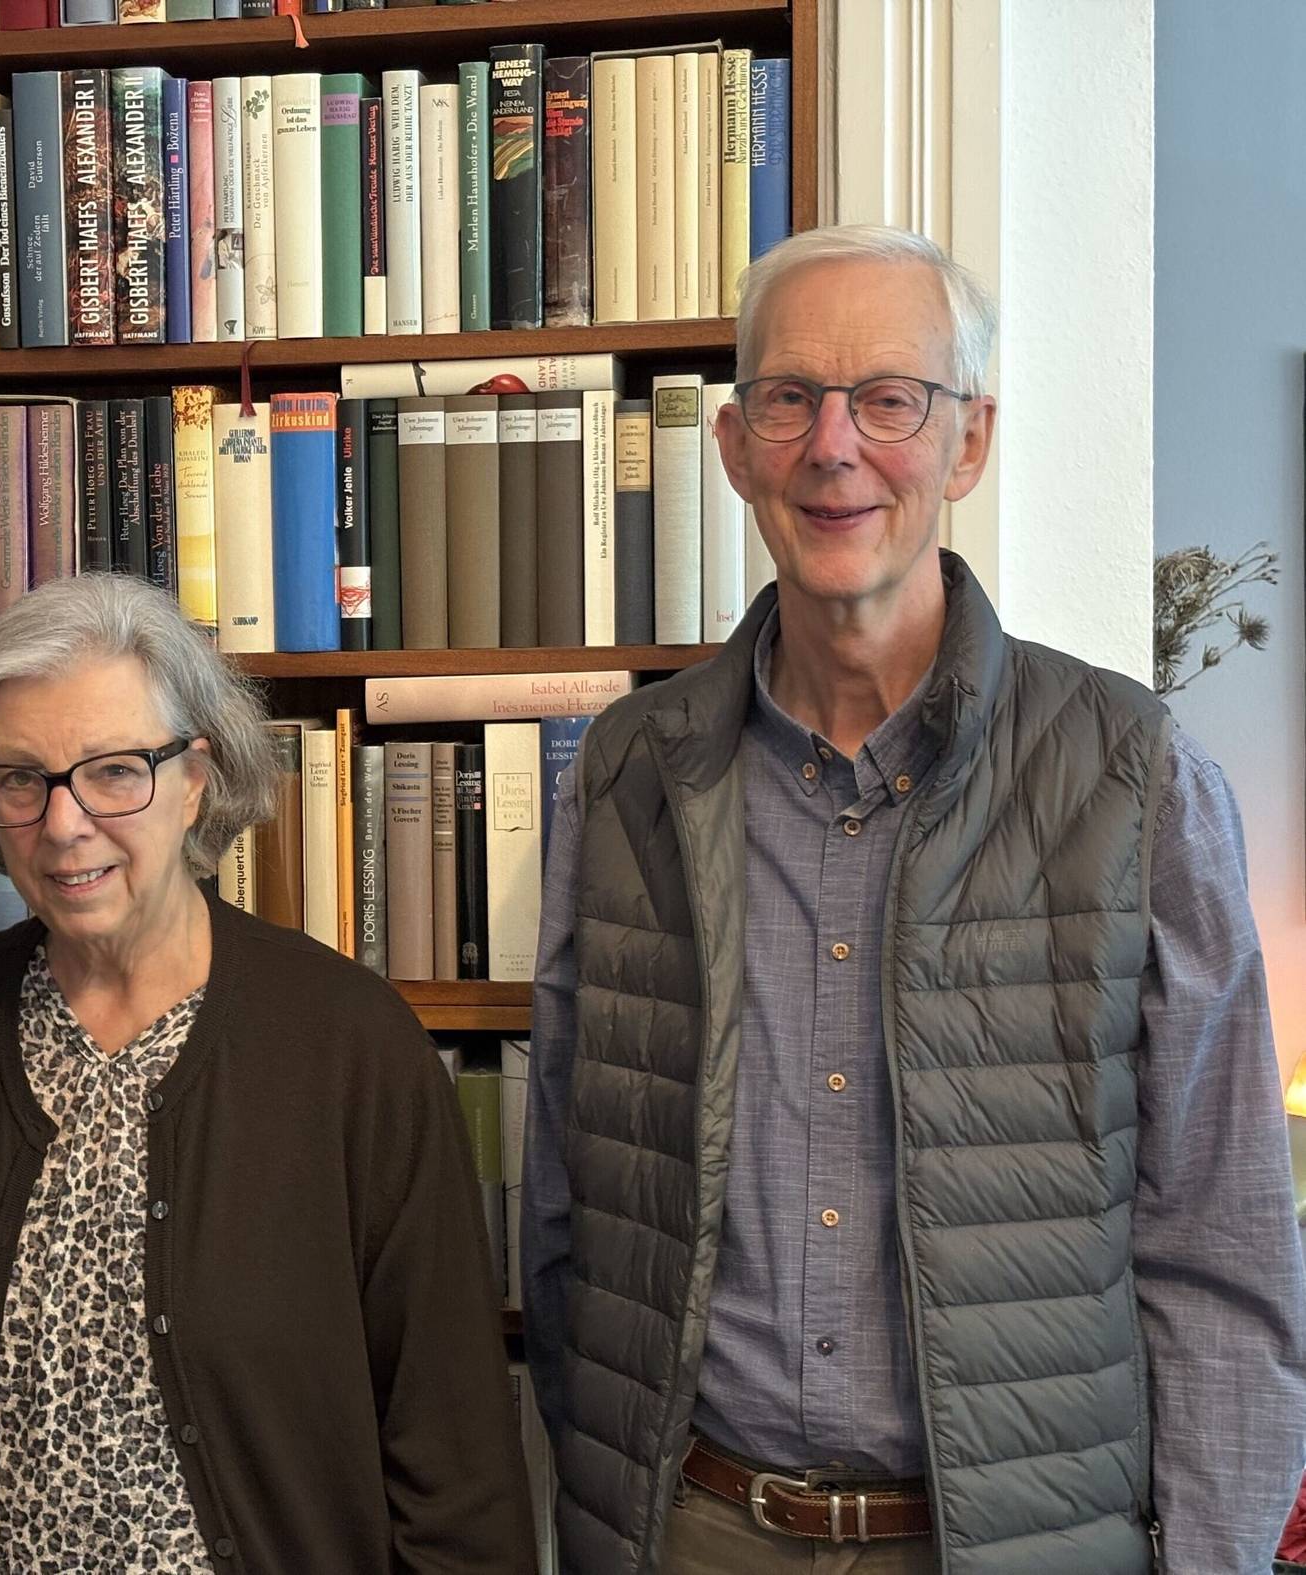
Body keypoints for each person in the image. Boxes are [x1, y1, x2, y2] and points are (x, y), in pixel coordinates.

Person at [522, 225, 1306, 1574]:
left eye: (891, 399)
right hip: (695, 1530)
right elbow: (568, 1205)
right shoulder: (627, 773)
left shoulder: (1134, 773)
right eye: (789, 397)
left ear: (969, 443)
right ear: (734, 445)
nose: (836, 445)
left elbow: (1222, 1247)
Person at [0, 572, 534, 1572]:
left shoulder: (348, 1045)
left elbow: (451, 1442)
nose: (64, 825)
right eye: (20, 779)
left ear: (197, 777)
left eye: (113, 772)